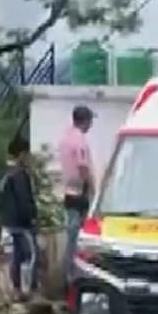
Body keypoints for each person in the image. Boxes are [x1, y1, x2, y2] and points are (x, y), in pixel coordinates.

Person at [0, 137, 39, 306]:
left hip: (9, 222)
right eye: (27, 154)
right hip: (22, 223)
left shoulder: (6, 174)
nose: (28, 158)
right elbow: (24, 200)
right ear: (22, 154)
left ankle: (16, 289)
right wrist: (32, 218)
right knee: (30, 255)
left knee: (16, 257)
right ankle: (28, 291)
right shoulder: (20, 174)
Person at [59, 105, 95, 282]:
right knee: (79, 238)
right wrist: (92, 187)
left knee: (72, 235)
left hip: (68, 192)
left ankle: (69, 273)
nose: (91, 125)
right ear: (85, 121)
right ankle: (74, 274)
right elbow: (82, 166)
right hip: (80, 193)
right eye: (90, 121)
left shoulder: (65, 137)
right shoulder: (79, 140)